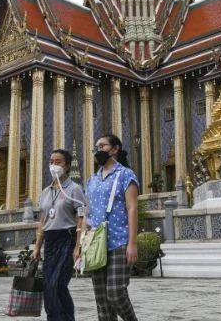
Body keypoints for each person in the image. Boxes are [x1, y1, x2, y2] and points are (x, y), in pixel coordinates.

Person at [84, 134, 139, 321]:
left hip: (118, 241)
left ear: (115, 149)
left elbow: (132, 208)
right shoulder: (91, 180)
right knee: (101, 300)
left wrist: (132, 243)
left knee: (115, 293)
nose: (98, 150)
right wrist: (80, 243)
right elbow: (87, 213)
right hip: (95, 243)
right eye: (96, 147)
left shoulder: (125, 174)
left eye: (102, 146)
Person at [32, 149, 87, 321]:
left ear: (67, 166)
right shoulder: (46, 192)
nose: (54, 165)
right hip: (50, 241)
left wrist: (78, 247)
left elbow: (81, 218)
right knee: (48, 285)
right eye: (51, 161)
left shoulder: (74, 189)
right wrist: (37, 247)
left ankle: (66, 317)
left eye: (58, 162)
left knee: (58, 283)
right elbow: (43, 220)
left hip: (67, 239)